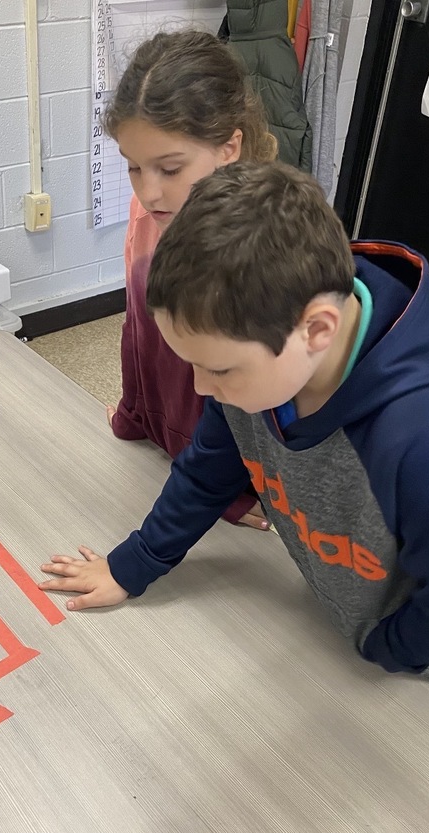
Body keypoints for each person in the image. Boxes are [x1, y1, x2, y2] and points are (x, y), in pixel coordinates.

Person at [39, 162, 429, 707]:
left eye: (218, 368)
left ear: (317, 329)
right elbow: (206, 473)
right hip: (361, 636)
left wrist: (383, 647)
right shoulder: (258, 370)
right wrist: (133, 564)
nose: (201, 386)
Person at [103, 30, 278, 529]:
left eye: (170, 168)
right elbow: (141, 328)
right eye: (134, 167)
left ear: (228, 149)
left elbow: (244, 390)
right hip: (166, 433)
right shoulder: (150, 211)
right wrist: (136, 412)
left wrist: (222, 488)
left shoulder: (252, 243)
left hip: (219, 456)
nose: (149, 190)